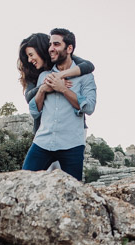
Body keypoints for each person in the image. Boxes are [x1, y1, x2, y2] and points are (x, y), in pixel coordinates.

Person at [21, 28, 97, 181]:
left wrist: (62, 89)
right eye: (50, 44)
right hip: (42, 142)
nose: (51, 48)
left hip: (72, 145)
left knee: (72, 194)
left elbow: (89, 107)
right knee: (24, 182)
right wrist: (42, 89)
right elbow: (34, 112)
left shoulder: (85, 77)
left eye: (56, 44)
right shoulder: (43, 75)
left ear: (69, 48)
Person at [17, 32, 94, 133]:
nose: (29, 60)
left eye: (31, 55)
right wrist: (47, 85)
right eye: (27, 56)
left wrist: (61, 75)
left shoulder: (63, 59)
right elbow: (29, 97)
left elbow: (89, 66)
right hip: (43, 129)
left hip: (72, 127)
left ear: (40, 51)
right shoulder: (31, 71)